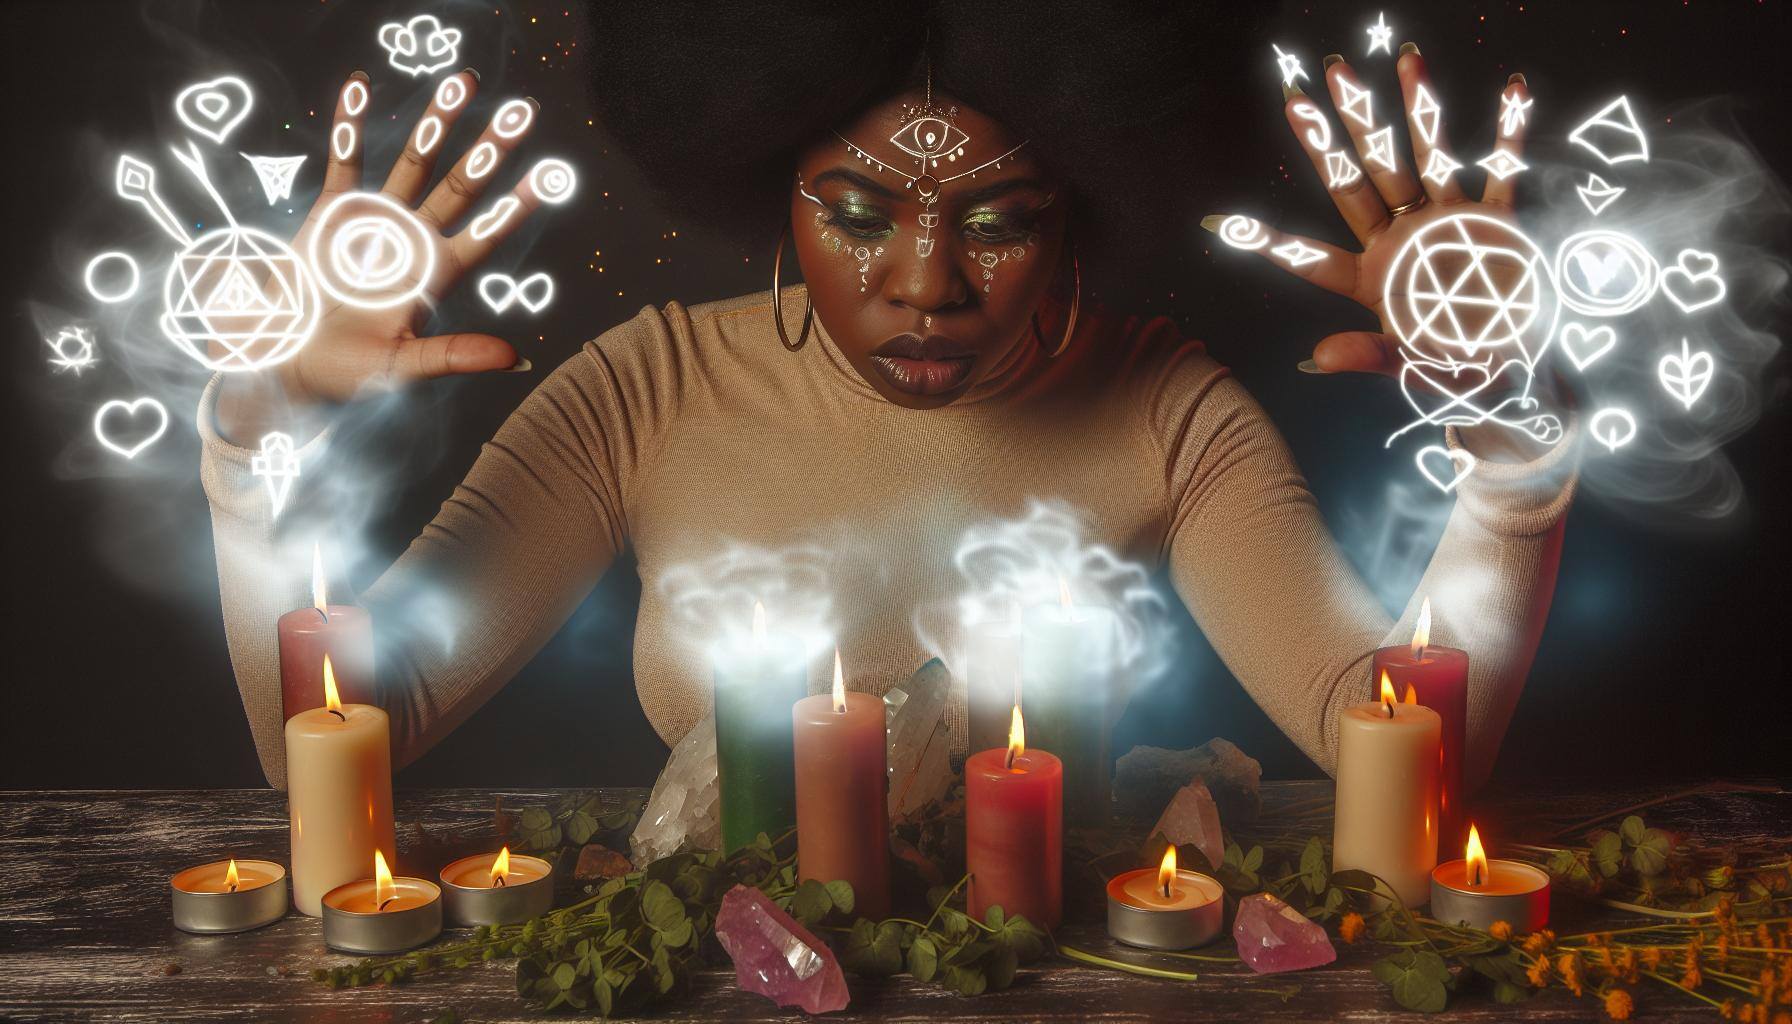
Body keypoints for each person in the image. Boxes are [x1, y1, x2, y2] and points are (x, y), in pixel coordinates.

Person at [202, 4, 1575, 791]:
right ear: (766, 190)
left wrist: (1507, 464)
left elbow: (1403, 751)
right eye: (859, 214)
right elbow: (327, 737)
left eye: (1002, 221)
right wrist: (259, 432)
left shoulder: (1167, 406)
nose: (926, 284)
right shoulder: (647, 387)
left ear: (1085, 209)